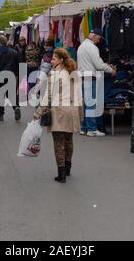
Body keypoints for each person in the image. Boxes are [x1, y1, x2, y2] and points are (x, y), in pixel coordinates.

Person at [33, 48, 82, 183]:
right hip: (72, 110)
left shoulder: (54, 74)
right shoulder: (74, 72)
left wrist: (39, 112)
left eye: (53, 59)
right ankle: (68, 168)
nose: (51, 61)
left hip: (59, 110)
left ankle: (61, 174)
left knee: (59, 142)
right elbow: (79, 93)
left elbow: (48, 96)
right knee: (69, 140)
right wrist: (80, 112)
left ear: (60, 60)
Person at [77, 28, 116, 137]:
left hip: (82, 77)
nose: (98, 41)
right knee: (91, 104)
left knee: (86, 103)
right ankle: (92, 129)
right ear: (94, 36)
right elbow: (99, 65)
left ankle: (84, 128)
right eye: (98, 38)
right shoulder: (92, 47)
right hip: (90, 77)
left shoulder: (81, 46)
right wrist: (111, 70)